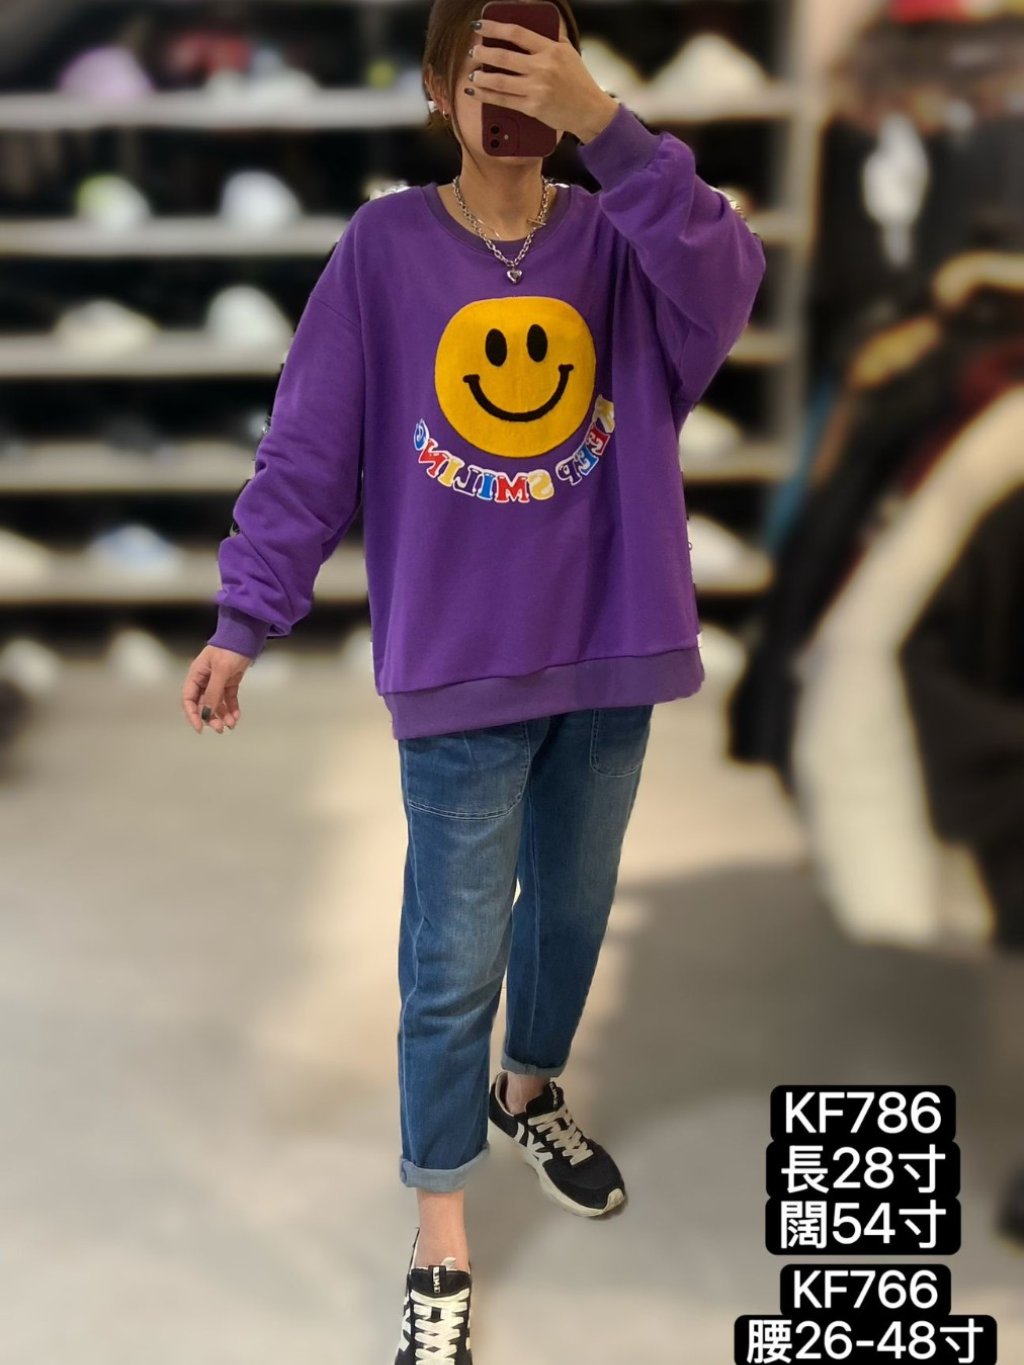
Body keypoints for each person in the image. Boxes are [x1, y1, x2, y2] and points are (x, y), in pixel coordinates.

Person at [181, 1, 765, 1358]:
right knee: (449, 959)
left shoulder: (623, 235)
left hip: (612, 641)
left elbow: (729, 280)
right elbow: (309, 446)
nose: (512, 97)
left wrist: (607, 127)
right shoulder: (385, 249)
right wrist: (246, 612)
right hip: (459, 662)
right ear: (438, 91)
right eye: (485, 71)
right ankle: (439, 1228)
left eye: (537, 68)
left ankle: (529, 1092)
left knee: (571, 914)